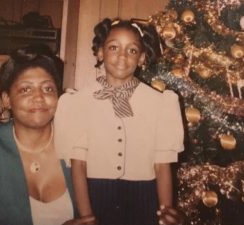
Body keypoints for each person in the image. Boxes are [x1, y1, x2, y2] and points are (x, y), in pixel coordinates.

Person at [54, 18, 185, 225]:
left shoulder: (160, 104)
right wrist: (87, 216)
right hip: (96, 196)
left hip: (144, 197)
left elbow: (162, 166)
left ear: (142, 58)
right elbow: (78, 166)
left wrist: (165, 213)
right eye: (113, 47)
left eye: (132, 50)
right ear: (100, 52)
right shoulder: (78, 102)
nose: (122, 55)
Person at [0, 46, 95, 225]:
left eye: (48, 89)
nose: (39, 97)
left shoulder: (79, 146)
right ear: (7, 99)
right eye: (26, 90)